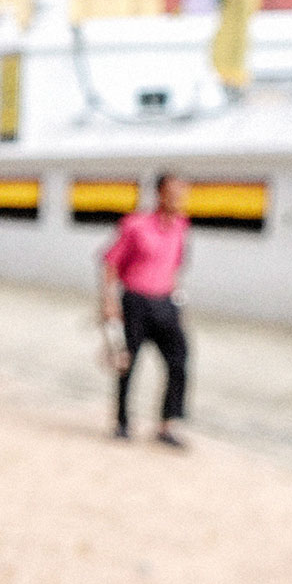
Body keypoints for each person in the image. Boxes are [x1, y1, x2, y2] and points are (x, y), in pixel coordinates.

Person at [103, 174, 191, 447]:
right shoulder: (135, 225)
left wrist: (178, 302)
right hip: (135, 302)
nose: (178, 198)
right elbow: (111, 263)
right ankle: (122, 422)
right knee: (128, 363)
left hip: (165, 303)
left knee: (179, 360)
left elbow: (175, 266)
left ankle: (167, 425)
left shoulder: (181, 226)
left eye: (182, 193)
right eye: (173, 192)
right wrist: (109, 302)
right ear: (160, 193)